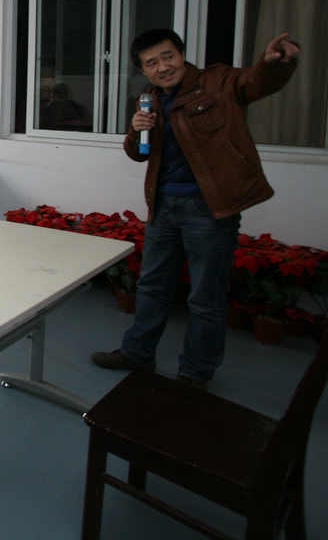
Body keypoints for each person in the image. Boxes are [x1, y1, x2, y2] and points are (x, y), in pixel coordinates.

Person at [91, 29, 301, 387]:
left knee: (205, 297)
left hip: (209, 209)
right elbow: (139, 154)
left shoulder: (217, 83)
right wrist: (136, 131)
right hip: (163, 206)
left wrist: (273, 65)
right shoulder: (149, 99)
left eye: (168, 56)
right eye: (152, 63)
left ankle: (195, 374)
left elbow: (256, 83)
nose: (163, 67)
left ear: (182, 54)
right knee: (152, 286)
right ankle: (137, 354)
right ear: (143, 70)